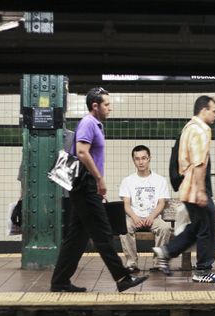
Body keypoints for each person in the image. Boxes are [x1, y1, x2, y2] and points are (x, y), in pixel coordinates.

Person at [50, 87, 148, 292]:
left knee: (76, 237)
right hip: (86, 186)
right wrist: (99, 179)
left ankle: (59, 281)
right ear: (95, 106)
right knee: (103, 234)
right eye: (106, 104)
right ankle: (122, 278)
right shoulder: (88, 123)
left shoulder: (96, 124)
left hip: (84, 186)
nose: (110, 108)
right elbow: (82, 152)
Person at [153, 95, 215, 283]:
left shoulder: (187, 128)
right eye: (214, 111)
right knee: (208, 226)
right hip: (195, 188)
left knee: (197, 226)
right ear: (204, 110)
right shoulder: (202, 130)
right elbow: (199, 163)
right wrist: (201, 191)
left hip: (186, 187)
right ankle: (203, 271)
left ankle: (166, 251)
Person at [119, 145, 172, 273]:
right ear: (133, 160)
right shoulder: (127, 181)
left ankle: (158, 263)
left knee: (165, 228)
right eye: (137, 159)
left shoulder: (160, 180)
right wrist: (135, 217)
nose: (141, 162)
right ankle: (132, 263)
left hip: (152, 217)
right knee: (123, 227)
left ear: (149, 159)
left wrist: (151, 216)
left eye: (144, 158)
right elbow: (126, 204)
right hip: (134, 217)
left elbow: (161, 203)